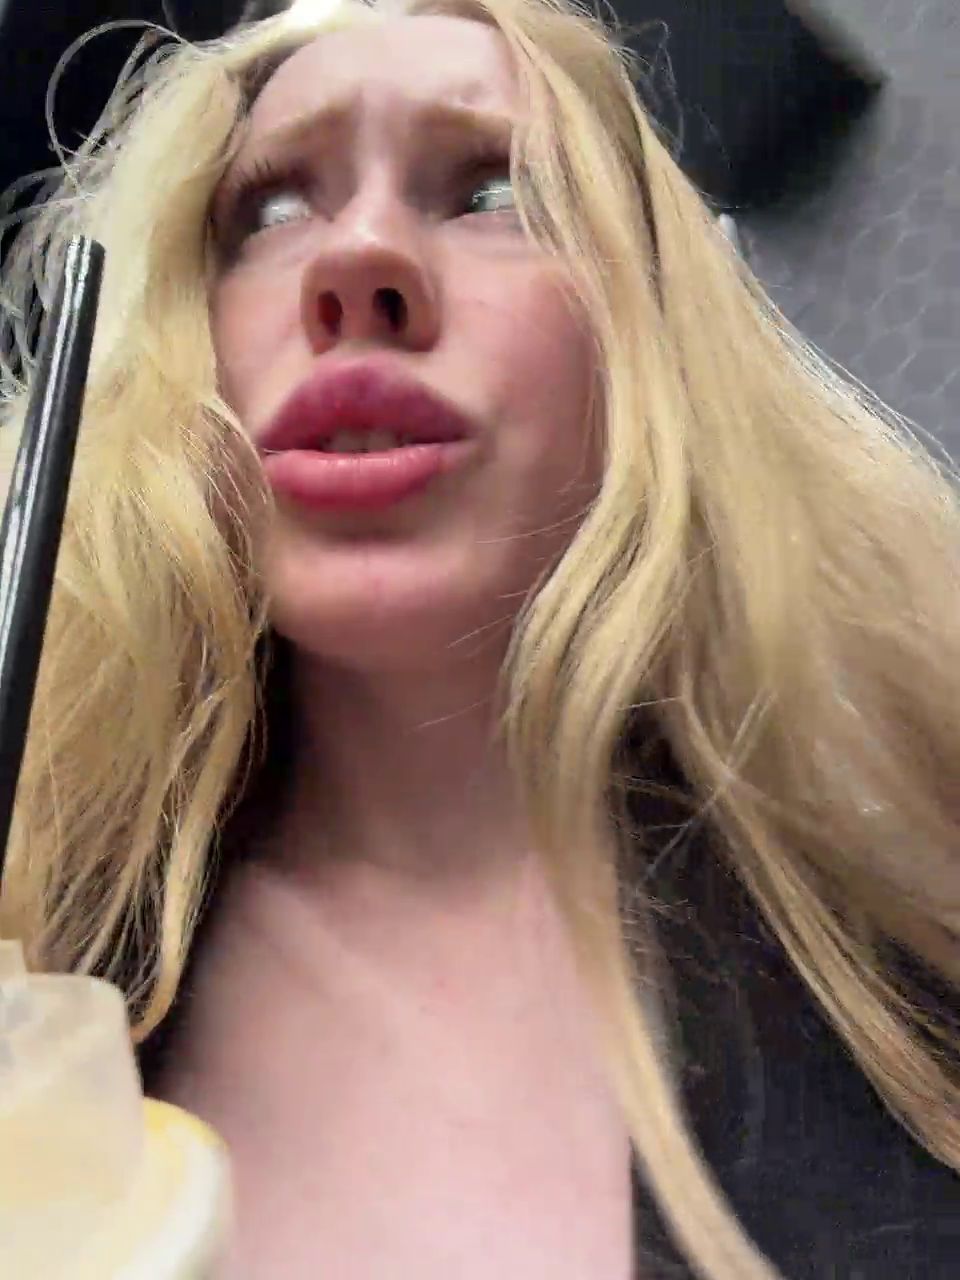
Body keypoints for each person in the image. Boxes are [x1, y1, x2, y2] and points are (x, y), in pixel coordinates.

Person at [1, 0, 958, 1275]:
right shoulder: (43, 965)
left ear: (647, 337)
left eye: (496, 192)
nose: (359, 259)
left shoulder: (920, 916)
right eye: (270, 209)